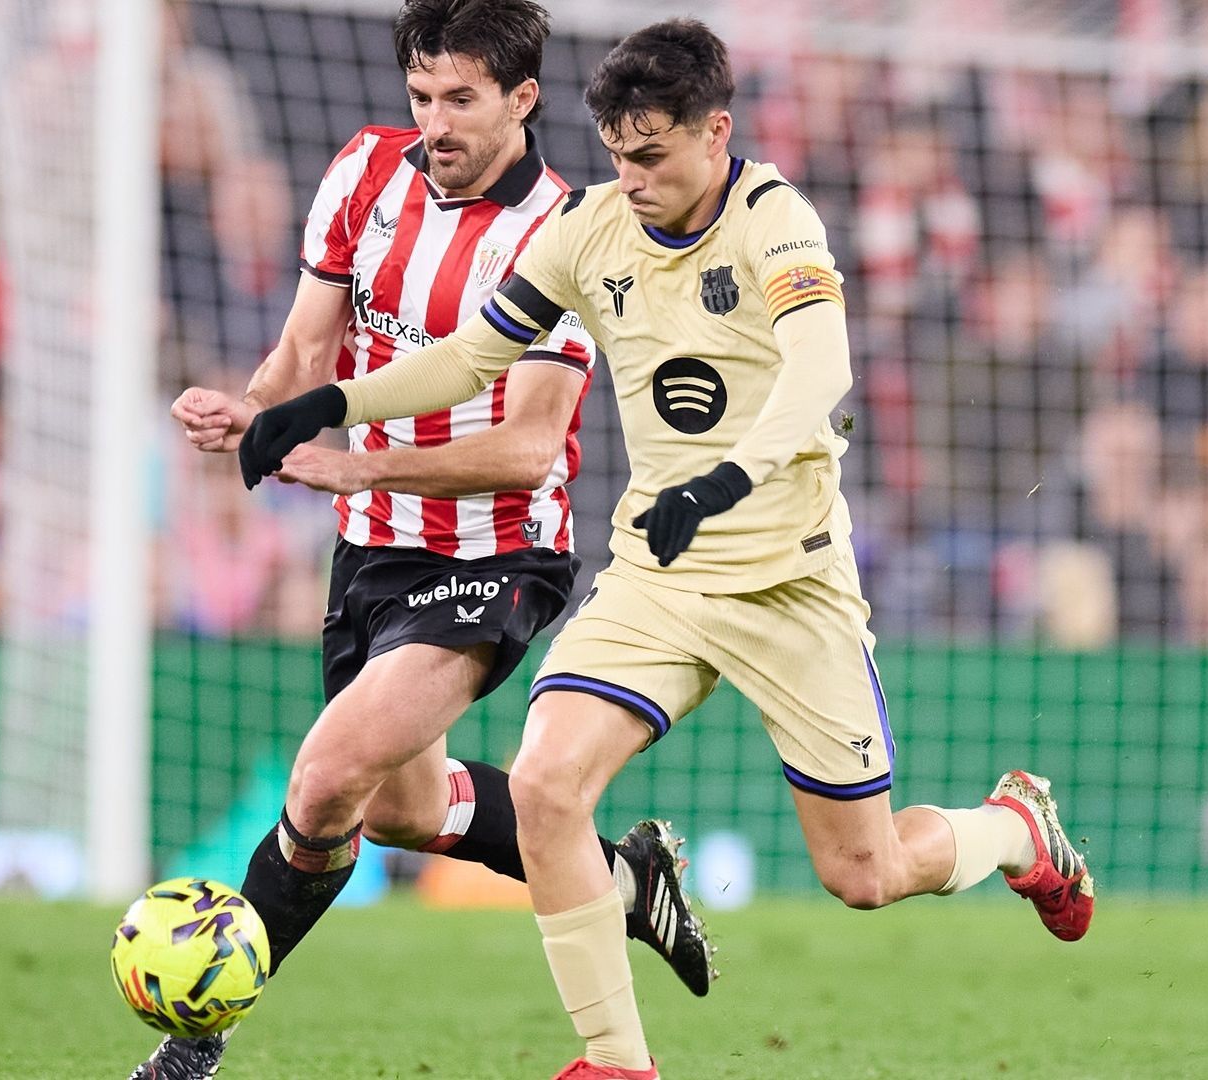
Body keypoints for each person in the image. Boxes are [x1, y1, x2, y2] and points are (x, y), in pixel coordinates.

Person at [239, 20, 1096, 1080]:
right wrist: (331, 404)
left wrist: (726, 482)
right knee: (546, 783)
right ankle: (616, 1061)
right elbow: (469, 358)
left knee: (865, 875)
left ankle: (1015, 829)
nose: (632, 179)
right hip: (658, 575)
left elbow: (819, 371)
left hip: (789, 585)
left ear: (715, 132)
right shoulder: (590, 227)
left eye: (651, 156)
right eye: (617, 156)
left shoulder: (775, 221)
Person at [145, 3, 711, 1078]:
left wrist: (354, 462)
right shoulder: (365, 170)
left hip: (493, 556)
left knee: (324, 782)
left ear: (522, 98)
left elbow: (529, 447)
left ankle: (193, 1040)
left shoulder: (563, 233)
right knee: (406, 811)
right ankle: (630, 881)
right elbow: (305, 348)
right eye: (421, 96)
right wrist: (254, 409)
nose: (434, 122)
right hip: (371, 547)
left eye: (460, 99)